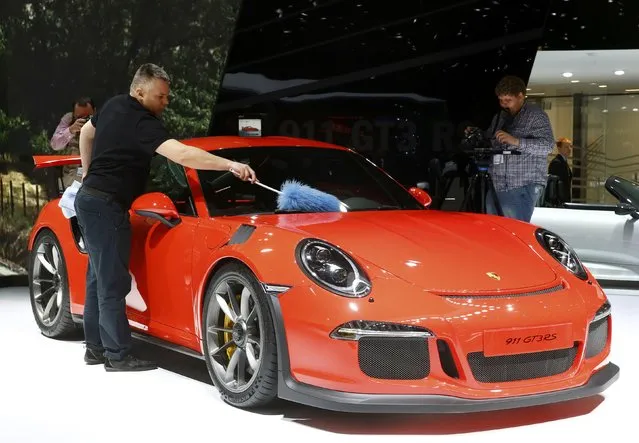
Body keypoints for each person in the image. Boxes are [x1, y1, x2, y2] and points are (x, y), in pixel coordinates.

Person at [74, 63, 256, 372]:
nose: (166, 103)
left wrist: (87, 171)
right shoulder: (143, 122)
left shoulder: (115, 104)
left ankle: (95, 349)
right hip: (106, 206)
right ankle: (117, 355)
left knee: (98, 277)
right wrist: (229, 166)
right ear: (141, 91)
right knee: (112, 283)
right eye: (161, 97)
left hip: (91, 200)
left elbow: (87, 133)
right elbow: (184, 155)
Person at [483, 75, 555, 222]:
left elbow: (547, 146)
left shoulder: (536, 115)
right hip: (497, 184)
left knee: (514, 233)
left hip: (522, 184)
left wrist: (516, 141)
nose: (503, 104)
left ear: (521, 96)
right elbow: (491, 140)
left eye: (508, 100)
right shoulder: (500, 117)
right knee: (492, 232)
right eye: (501, 100)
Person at [50, 97, 95, 188]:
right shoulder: (68, 119)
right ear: (74, 114)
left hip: (93, 173)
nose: (84, 120)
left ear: (95, 111)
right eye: (80, 117)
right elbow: (54, 145)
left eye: (88, 117)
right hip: (71, 174)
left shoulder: (101, 119)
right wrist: (70, 130)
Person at [548, 137, 573, 204]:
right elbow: (555, 186)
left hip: (564, 202)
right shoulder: (556, 163)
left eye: (570, 147)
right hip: (559, 203)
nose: (569, 149)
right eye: (566, 147)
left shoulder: (564, 162)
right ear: (559, 149)